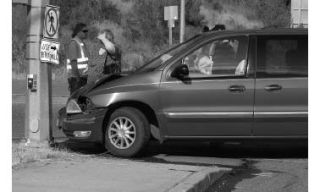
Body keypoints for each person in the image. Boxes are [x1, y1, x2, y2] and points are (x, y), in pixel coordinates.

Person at [66, 23, 89, 95]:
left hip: (83, 78)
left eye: (87, 31)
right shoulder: (74, 43)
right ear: (78, 32)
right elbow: (73, 63)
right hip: (76, 79)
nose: (86, 33)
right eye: (84, 31)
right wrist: (77, 79)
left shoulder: (82, 43)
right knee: (76, 101)